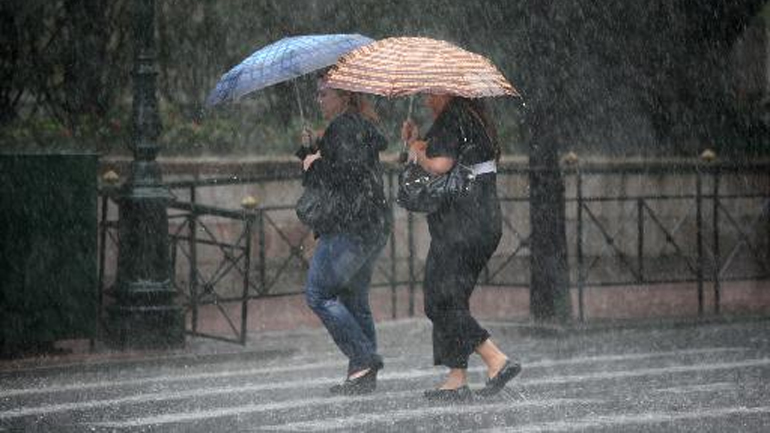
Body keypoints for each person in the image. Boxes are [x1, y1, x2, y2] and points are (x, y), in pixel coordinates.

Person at [401, 94, 520, 401]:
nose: (427, 99)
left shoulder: (453, 117)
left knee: (438, 300)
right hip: (483, 223)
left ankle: (495, 359)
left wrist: (416, 152)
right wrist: (416, 141)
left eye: (431, 91)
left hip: (461, 227)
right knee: (453, 300)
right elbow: (453, 156)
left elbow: (440, 165)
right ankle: (456, 377)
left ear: (447, 90)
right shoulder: (474, 117)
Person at [299, 77, 390, 395]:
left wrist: (313, 165)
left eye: (324, 94)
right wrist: (311, 152)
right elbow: (350, 169)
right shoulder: (358, 125)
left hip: (351, 226)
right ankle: (362, 374)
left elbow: (344, 176)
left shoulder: (343, 128)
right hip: (373, 225)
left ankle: (364, 358)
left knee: (319, 294)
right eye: (318, 94)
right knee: (354, 298)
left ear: (344, 96)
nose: (319, 100)